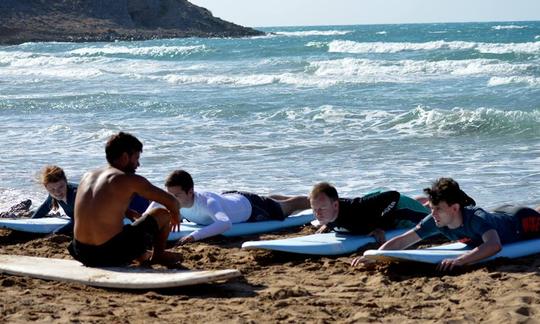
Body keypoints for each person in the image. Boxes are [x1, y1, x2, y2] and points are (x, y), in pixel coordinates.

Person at [352, 177, 540, 270]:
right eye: (432, 208)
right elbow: (403, 241)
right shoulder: (437, 220)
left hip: (521, 222)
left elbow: (494, 245)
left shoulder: (475, 218)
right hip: (500, 212)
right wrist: (376, 256)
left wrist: (459, 261)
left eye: (438, 209)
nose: (432, 213)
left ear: (455, 208)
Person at [68, 132, 180, 267]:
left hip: (80, 252)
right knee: (162, 213)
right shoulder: (128, 179)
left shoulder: (88, 176)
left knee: (126, 230)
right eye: (137, 158)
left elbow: (98, 208)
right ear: (125, 157)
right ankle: (158, 255)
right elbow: (172, 201)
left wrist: (130, 212)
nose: (138, 164)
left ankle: (142, 256)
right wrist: (175, 215)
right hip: (107, 254)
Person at [147, 170, 310, 244]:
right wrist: (142, 221)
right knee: (271, 201)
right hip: (229, 196)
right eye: (170, 195)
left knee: (287, 208)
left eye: (176, 196)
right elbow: (155, 204)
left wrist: (194, 236)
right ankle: (272, 199)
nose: (171, 200)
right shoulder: (174, 198)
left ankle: (314, 200)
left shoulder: (207, 203)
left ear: (190, 192)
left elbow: (225, 224)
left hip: (250, 207)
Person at [309, 182, 430, 243]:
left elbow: (393, 196)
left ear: (335, 205)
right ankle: (424, 202)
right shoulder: (329, 214)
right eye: (314, 209)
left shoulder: (355, 211)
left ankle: (429, 205)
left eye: (322, 209)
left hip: (400, 208)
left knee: (432, 219)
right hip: (374, 203)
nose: (317, 214)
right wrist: (326, 223)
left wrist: (379, 226)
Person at [31, 165, 77, 235]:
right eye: (52, 189)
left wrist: (56, 232)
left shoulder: (75, 195)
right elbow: (45, 207)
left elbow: (80, 220)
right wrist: (31, 222)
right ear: (46, 187)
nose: (57, 192)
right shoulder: (53, 195)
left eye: (61, 187)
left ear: (66, 182)